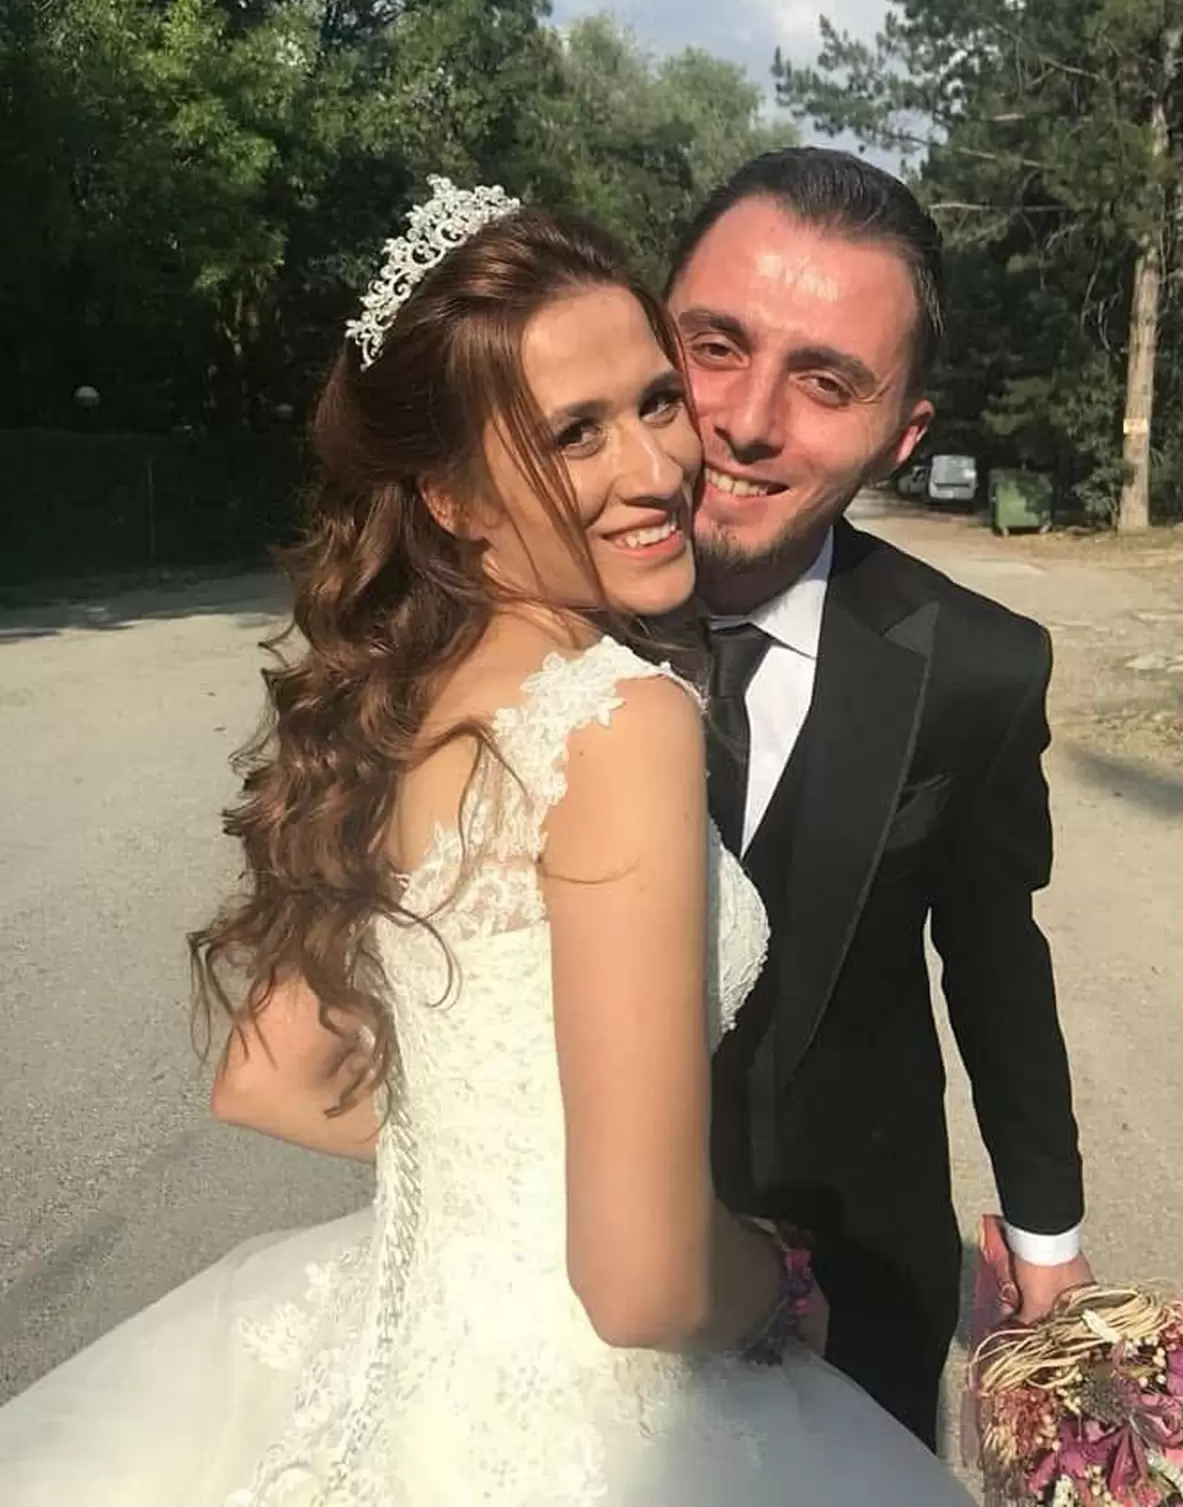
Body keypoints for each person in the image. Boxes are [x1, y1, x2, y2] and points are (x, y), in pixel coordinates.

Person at [0, 190, 970, 1505]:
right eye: (574, 434)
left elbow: (270, 1075)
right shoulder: (618, 722)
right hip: (598, 1431)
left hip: (408, 1369)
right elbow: (641, 1285)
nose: (657, 468)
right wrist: (778, 1285)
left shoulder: (406, 696)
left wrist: (506, 1184)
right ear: (451, 494)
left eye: (655, 401)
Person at [667, 146, 1091, 1450]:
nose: (746, 420)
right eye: (714, 345)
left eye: (826, 381)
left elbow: (997, 964)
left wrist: (1047, 1237)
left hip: (861, 1284)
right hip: (546, 1284)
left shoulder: (976, 669)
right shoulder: (503, 622)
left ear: (904, 433)